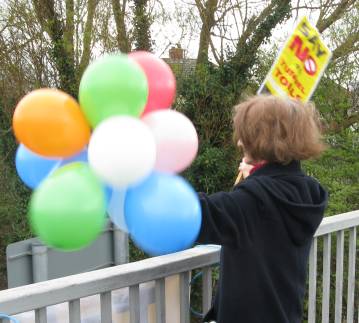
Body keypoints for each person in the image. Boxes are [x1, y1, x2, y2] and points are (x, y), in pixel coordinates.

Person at [197, 95, 328, 323]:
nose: (239, 143)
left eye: (245, 135)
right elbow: (267, 212)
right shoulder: (305, 191)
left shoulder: (254, 201)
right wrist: (256, 177)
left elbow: (195, 214)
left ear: (261, 140)